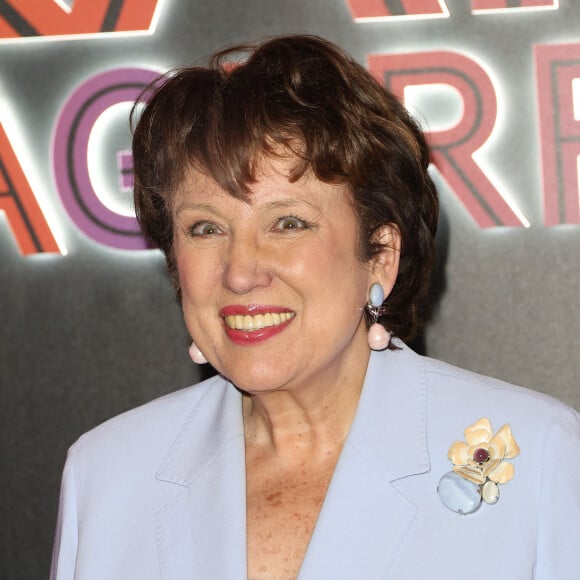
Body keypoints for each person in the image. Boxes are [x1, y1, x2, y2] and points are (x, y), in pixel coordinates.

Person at [50, 35, 580, 579]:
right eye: (206, 228)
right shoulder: (107, 475)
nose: (240, 271)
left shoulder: (539, 456)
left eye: (288, 223)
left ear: (379, 256)